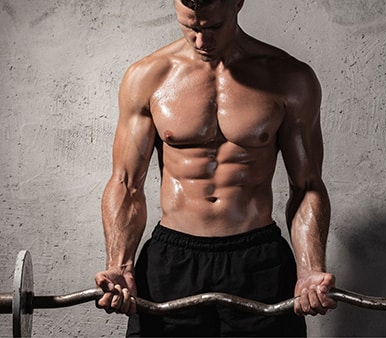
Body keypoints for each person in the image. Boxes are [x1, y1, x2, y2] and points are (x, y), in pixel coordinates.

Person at [94, 0, 337, 336]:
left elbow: (307, 185)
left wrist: (310, 269)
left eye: (213, 27)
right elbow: (126, 184)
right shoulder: (148, 77)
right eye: (190, 27)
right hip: (172, 261)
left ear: (237, 3)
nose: (201, 40)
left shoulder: (288, 78)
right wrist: (119, 264)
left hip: (258, 262)